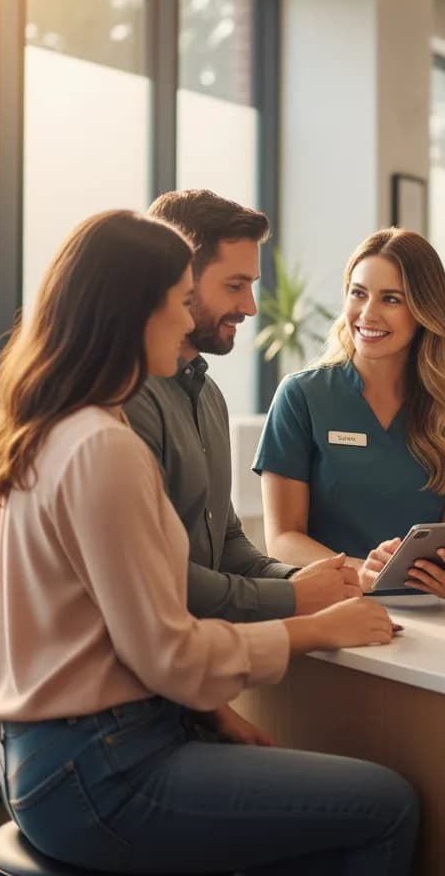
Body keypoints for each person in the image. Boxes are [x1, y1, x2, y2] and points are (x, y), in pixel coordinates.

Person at [0, 210, 417, 875]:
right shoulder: (104, 447)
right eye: (181, 302)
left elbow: (128, 628)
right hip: (102, 769)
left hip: (58, 755)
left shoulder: (57, 427)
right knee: (388, 804)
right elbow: (168, 649)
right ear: (134, 311)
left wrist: (217, 715)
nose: (189, 323)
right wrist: (315, 628)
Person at [124, 189, 361, 624]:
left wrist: (305, 582)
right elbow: (157, 579)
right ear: (177, 278)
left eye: (251, 286)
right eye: (235, 286)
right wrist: (294, 598)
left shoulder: (209, 395)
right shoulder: (125, 402)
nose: (250, 307)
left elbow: (226, 541)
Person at [254, 228, 445, 604]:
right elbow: (283, 539)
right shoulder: (302, 396)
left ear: (423, 310)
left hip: (428, 614)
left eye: (391, 299)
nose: (368, 314)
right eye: (358, 293)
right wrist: (360, 571)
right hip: (332, 609)